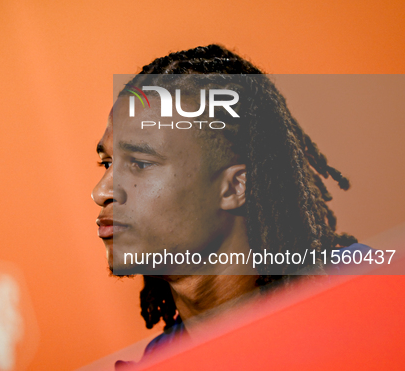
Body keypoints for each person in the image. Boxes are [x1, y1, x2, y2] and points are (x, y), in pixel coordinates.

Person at [91, 45, 365, 363]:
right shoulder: (162, 361)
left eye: (139, 162)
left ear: (234, 187)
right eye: (107, 164)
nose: (101, 192)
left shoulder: (372, 294)